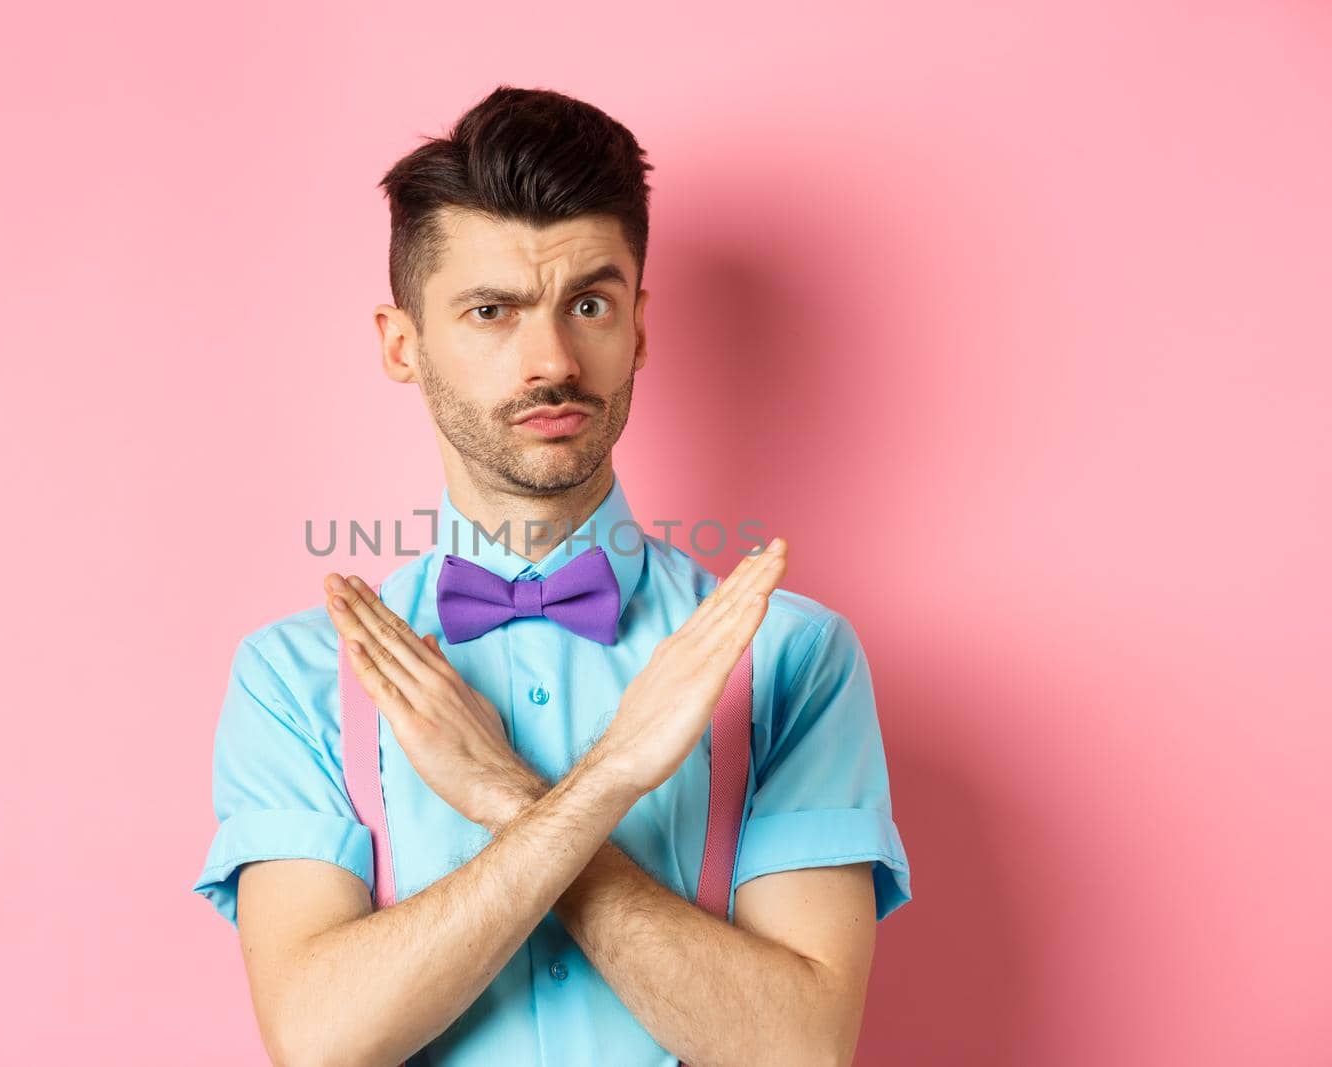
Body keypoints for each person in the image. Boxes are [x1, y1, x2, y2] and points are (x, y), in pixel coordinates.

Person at [191, 84, 912, 1066]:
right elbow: (320, 1039)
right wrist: (602, 782)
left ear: (639, 328)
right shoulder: (299, 674)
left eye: (589, 303)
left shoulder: (789, 656)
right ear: (403, 343)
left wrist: (509, 798)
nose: (552, 360)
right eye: (492, 310)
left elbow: (795, 1050)